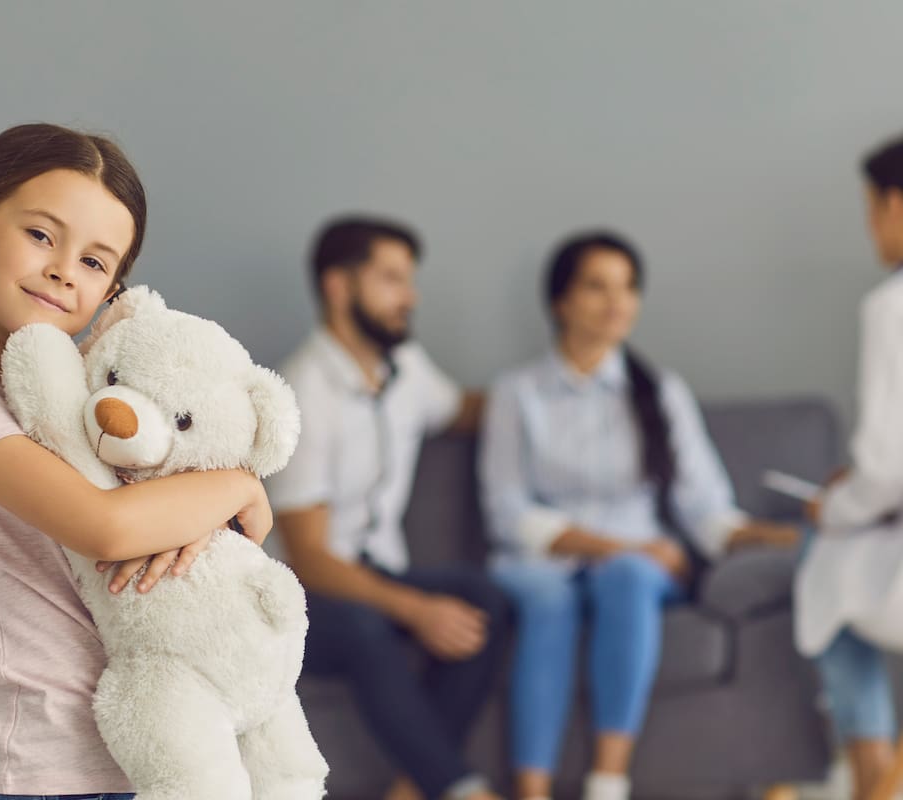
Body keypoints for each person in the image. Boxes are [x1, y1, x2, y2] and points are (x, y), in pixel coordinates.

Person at [0, 123, 275, 800]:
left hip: (137, 759)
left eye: (94, 261)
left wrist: (211, 505)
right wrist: (236, 482)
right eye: (41, 235)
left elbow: (197, 533)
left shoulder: (83, 405)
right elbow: (107, 528)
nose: (63, 268)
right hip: (37, 770)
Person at [478, 231, 798, 800]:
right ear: (561, 301)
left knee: (627, 578)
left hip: (638, 570)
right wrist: (612, 547)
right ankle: (532, 791)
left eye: (628, 288)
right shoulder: (517, 393)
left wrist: (772, 535)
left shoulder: (661, 392)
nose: (617, 302)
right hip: (542, 563)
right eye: (597, 287)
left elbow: (704, 509)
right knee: (551, 603)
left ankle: (608, 779)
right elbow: (508, 511)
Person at [267, 216, 508, 800]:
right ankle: (460, 788)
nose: (411, 296)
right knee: (365, 625)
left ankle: (412, 787)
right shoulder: (301, 392)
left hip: (378, 569)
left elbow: (465, 410)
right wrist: (418, 609)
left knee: (487, 599)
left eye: (409, 280)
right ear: (338, 286)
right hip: (305, 593)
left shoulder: (406, 370)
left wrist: (536, 398)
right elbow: (310, 559)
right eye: (393, 279)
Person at [796, 132, 903, 800]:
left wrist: (832, 506)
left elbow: (888, 463)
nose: (871, 230)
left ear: (895, 205)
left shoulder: (891, 306)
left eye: (870, 210)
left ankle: (873, 771)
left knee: (821, 548)